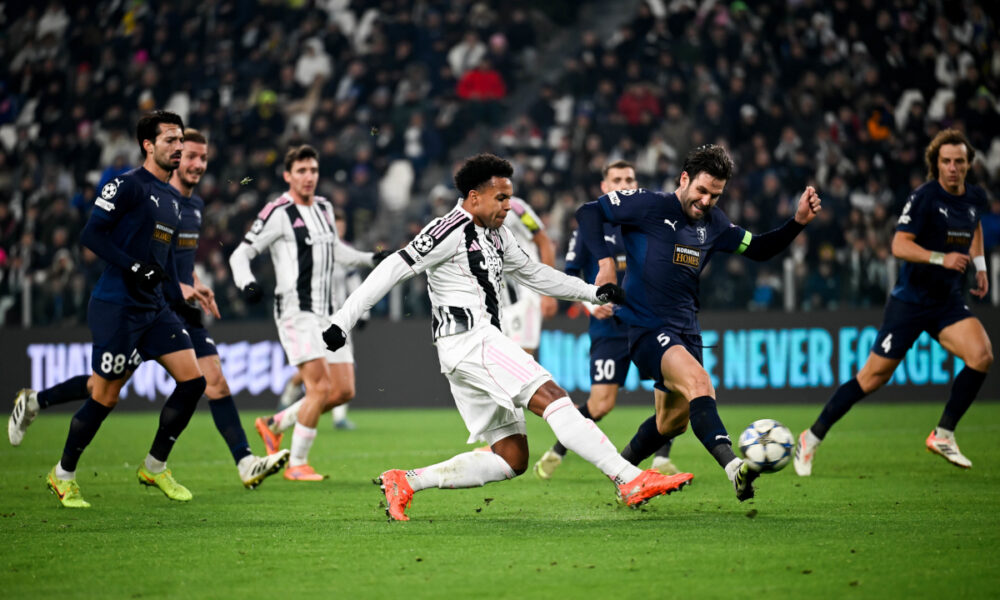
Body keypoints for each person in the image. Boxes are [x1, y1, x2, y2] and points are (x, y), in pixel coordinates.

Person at [321, 153, 693, 521]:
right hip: (470, 340)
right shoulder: (448, 229)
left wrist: (591, 293)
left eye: (509, 197)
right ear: (473, 196)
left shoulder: (496, 234)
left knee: (511, 458)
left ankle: (406, 481)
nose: (508, 206)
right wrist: (343, 321)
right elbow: (393, 268)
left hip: (469, 348)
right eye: (500, 198)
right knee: (553, 397)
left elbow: (534, 273)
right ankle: (629, 478)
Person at [9, 129, 290, 489]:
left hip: (173, 306)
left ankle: (243, 461)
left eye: (203, 158)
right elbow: (138, 253)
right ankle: (37, 404)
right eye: (189, 155)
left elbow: (176, 262)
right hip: (140, 304)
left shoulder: (193, 206)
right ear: (170, 156)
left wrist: (193, 283)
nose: (197, 164)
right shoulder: (152, 198)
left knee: (210, 379)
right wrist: (173, 284)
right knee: (104, 389)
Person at [575, 144, 822, 502]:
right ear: (684, 178)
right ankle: (735, 468)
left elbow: (761, 249)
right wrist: (605, 264)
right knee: (700, 383)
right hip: (647, 328)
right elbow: (588, 213)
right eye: (702, 191)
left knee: (671, 423)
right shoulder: (649, 205)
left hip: (687, 329)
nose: (706, 201)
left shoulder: (716, 224)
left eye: (715, 195)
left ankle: (622, 472)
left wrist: (797, 222)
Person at [794, 129, 992, 475]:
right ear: (937, 163)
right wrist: (940, 258)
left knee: (982, 355)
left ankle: (943, 433)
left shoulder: (975, 197)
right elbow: (899, 245)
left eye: (959, 161)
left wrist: (980, 265)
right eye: (946, 161)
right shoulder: (925, 198)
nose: (953, 167)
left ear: (968, 164)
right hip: (910, 303)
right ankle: (811, 437)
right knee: (871, 378)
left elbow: (973, 227)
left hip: (947, 301)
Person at [43, 111, 206, 507]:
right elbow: (91, 235)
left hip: (154, 310)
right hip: (117, 307)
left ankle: (154, 466)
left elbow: (162, 262)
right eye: (170, 139)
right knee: (104, 397)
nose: (179, 146)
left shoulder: (172, 198)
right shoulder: (127, 185)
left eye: (180, 139)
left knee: (193, 381)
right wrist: (134, 266)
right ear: (148, 145)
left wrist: (181, 298)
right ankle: (62, 474)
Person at [229, 145, 387, 481]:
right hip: (296, 311)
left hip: (329, 313)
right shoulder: (277, 211)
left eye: (313, 170)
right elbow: (240, 255)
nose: (308, 177)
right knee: (319, 387)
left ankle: (274, 425)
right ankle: (297, 464)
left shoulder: (326, 208)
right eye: (301, 171)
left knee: (343, 391)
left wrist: (369, 258)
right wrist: (247, 284)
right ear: (288, 175)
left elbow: (337, 253)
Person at [534, 160, 677, 479]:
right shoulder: (589, 228)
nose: (624, 183)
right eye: (617, 179)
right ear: (604, 187)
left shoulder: (651, 223)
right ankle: (558, 450)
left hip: (648, 322)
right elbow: (569, 275)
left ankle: (662, 458)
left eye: (629, 178)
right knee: (600, 405)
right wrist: (589, 304)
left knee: (674, 385)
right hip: (609, 328)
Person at [276, 209, 367, 431]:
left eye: (342, 226)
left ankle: (338, 418)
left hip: (339, 318)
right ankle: (288, 400)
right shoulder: (312, 251)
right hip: (313, 317)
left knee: (342, 372)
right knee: (316, 367)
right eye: (336, 225)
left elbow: (353, 282)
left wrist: (364, 314)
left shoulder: (346, 253)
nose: (340, 230)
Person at [499, 195, 557, 354]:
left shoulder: (517, 208)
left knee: (522, 359)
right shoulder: (472, 215)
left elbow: (544, 242)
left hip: (526, 294)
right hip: (497, 299)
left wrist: (548, 293)